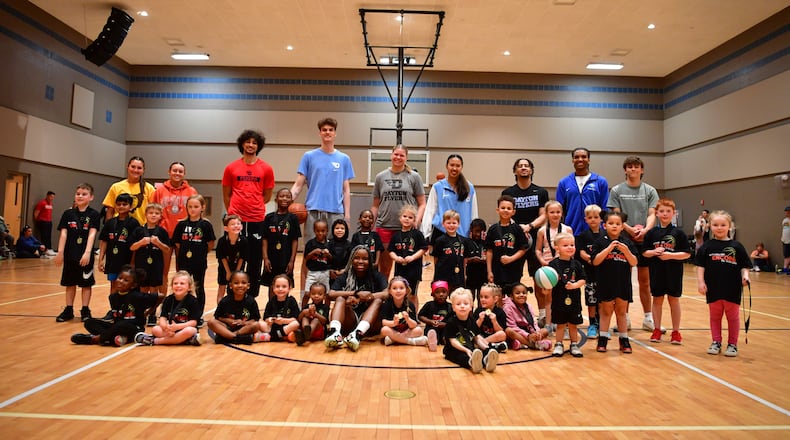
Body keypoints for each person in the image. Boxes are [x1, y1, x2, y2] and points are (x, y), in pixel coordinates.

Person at [607, 155, 660, 332]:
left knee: (645, 281)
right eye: (629, 167)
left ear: (642, 170)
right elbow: (616, 216)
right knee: (624, 280)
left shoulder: (650, 190)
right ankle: (625, 318)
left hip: (644, 239)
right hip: (624, 239)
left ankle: (648, 318)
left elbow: (653, 214)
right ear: (625, 170)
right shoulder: (616, 190)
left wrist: (645, 230)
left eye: (636, 166)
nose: (632, 169)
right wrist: (628, 230)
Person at [222, 129, 275, 298]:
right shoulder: (231, 167)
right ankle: (233, 293)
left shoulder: (266, 168)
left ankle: (251, 296)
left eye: (254, 142)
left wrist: (254, 204)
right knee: (235, 257)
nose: (251, 145)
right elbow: (226, 194)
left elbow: (267, 195)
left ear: (258, 146)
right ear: (242, 144)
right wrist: (232, 214)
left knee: (254, 258)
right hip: (236, 218)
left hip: (256, 218)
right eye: (248, 142)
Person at [695, 210, 751, 357]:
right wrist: (701, 282)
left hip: (732, 288)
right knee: (715, 316)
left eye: (722, 225)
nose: (719, 228)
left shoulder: (737, 246)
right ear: (709, 226)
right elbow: (701, 267)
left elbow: (745, 265)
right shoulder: (706, 246)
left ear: (729, 226)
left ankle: (733, 344)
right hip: (713, 287)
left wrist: (745, 276)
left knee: (732, 317)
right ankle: (716, 342)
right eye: (715, 225)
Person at [290, 117, 355, 242]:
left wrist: (347, 214)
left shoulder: (344, 158)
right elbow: (298, 185)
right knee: (311, 248)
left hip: (336, 212)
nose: (327, 132)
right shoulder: (309, 156)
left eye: (331, 130)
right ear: (319, 133)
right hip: (313, 211)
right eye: (324, 130)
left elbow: (346, 190)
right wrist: (287, 202)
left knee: (335, 251)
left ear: (335, 133)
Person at [371, 144, 427, 277]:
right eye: (396, 154)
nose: (398, 157)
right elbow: (375, 205)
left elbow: (422, 204)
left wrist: (416, 221)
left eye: (402, 155)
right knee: (384, 268)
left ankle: (405, 297)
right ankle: (384, 296)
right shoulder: (380, 177)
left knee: (407, 269)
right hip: (385, 227)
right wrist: (370, 225)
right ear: (391, 155)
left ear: (406, 158)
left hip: (406, 230)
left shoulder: (414, 177)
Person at [642, 198, 691, 344]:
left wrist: (671, 255)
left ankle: (676, 332)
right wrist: (654, 252)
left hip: (673, 273)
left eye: (668, 211)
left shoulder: (679, 233)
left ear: (673, 213)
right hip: (657, 272)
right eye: (662, 211)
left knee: (673, 300)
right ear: (656, 213)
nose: (665, 214)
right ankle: (656, 330)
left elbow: (687, 254)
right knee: (657, 299)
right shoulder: (652, 233)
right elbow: (644, 252)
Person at [71, 266, 157, 347]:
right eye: (120, 278)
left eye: (126, 280)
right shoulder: (113, 297)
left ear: (133, 285)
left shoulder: (137, 296)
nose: (121, 281)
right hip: (116, 327)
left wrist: (148, 312)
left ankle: (94, 339)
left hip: (133, 328)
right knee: (89, 322)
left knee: (122, 325)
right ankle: (115, 338)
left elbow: (160, 296)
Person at [324, 246, 389, 352]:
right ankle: (334, 332)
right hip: (350, 319)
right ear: (351, 260)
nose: (360, 261)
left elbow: (387, 293)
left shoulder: (377, 276)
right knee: (340, 299)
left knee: (378, 301)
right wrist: (356, 293)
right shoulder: (345, 276)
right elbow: (331, 294)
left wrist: (367, 297)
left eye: (365, 259)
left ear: (370, 261)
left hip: (370, 322)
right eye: (357, 258)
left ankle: (357, 334)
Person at [592, 211, 638, 354]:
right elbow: (595, 261)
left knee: (621, 312)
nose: (614, 226)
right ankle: (603, 339)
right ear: (604, 225)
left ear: (622, 227)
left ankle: (624, 339)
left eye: (617, 224)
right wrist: (609, 249)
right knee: (606, 311)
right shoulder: (600, 242)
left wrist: (626, 251)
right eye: (611, 223)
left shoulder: (627, 242)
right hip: (606, 282)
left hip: (623, 283)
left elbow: (634, 262)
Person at [54, 183, 101, 322]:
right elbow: (63, 234)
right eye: (78, 193)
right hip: (70, 254)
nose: (80, 196)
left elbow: (92, 234)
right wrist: (60, 252)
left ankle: (85, 310)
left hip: (84, 254)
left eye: (84, 194)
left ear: (91, 197)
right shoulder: (68, 214)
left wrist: (87, 253)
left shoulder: (94, 214)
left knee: (86, 284)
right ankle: (68, 309)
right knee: (70, 283)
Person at [152, 161, 198, 299]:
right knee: (162, 272)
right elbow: (152, 211)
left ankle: (182, 303)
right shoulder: (159, 191)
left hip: (183, 237)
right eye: (174, 170)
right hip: (163, 235)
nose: (177, 173)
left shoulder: (191, 191)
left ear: (184, 174)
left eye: (180, 171)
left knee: (183, 272)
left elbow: (195, 213)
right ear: (169, 172)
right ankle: (160, 305)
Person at [502, 158, 549, 290]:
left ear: (531, 170)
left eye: (526, 166)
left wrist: (529, 226)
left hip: (536, 240)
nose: (523, 168)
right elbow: (505, 214)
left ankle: (541, 312)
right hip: (515, 240)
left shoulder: (541, 192)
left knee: (539, 279)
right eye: (520, 166)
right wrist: (518, 228)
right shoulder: (508, 193)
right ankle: (511, 310)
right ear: (515, 171)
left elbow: (544, 215)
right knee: (512, 280)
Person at [172, 195, 216, 326]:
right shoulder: (181, 224)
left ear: (202, 207)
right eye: (190, 206)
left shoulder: (205, 225)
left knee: (198, 288)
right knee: (182, 288)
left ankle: (198, 315)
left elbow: (210, 243)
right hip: (184, 262)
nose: (192, 209)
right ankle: (181, 313)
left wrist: (200, 253)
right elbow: (178, 244)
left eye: (196, 207)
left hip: (199, 262)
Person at [134, 271, 201, 346]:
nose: (178, 285)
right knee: (155, 329)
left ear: (189, 287)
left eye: (182, 283)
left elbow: (193, 322)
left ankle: (155, 341)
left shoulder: (193, 301)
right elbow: (163, 318)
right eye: (175, 283)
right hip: (170, 330)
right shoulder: (168, 299)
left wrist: (177, 327)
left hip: (184, 328)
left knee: (190, 331)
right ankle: (184, 340)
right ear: (172, 286)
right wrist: (165, 327)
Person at [534, 200, 573, 330]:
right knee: (548, 296)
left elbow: (572, 248)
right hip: (548, 267)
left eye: (558, 212)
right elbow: (538, 249)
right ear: (546, 214)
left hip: (563, 265)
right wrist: (542, 261)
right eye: (552, 212)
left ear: (562, 213)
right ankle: (549, 323)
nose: (555, 215)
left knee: (563, 295)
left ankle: (563, 322)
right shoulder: (542, 231)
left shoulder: (567, 229)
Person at [129, 203, 170, 325]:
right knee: (142, 289)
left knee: (153, 289)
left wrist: (159, 244)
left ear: (160, 216)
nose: (153, 215)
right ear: (145, 215)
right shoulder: (139, 231)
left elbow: (167, 249)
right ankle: (141, 313)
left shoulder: (162, 232)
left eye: (156, 213)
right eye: (151, 213)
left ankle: (152, 313)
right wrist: (141, 242)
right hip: (142, 265)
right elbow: (131, 247)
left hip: (156, 265)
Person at [422, 154, 479, 241]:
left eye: (458, 166)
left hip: (463, 235)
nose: (454, 168)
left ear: (462, 167)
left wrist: (474, 233)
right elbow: (430, 210)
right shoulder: (438, 187)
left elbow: (474, 213)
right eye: (452, 165)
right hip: (441, 234)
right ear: (446, 166)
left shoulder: (469, 188)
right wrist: (425, 234)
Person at [548, 233, 586, 357]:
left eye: (572, 245)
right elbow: (549, 281)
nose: (570, 247)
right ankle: (558, 344)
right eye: (565, 245)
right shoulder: (553, 264)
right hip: (558, 300)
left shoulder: (577, 264)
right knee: (560, 324)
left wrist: (575, 286)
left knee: (573, 324)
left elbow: (583, 279)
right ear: (556, 248)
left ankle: (574, 344)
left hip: (574, 300)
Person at [443, 288, 498, 374]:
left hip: (470, 347)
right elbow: (453, 341)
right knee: (461, 357)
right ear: (453, 308)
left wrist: (485, 348)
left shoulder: (472, 321)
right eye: (458, 304)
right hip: (454, 350)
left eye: (466, 303)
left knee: (483, 351)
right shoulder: (451, 322)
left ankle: (487, 360)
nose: (462, 306)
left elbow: (476, 338)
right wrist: (465, 350)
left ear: (471, 307)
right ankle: (471, 363)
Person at [556, 147, 608, 236]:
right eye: (576, 157)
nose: (580, 159)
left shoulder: (600, 181)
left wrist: (603, 229)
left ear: (589, 160)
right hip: (571, 231)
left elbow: (605, 208)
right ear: (572, 160)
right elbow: (559, 209)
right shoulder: (564, 182)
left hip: (595, 232)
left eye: (584, 157)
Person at [208, 271, 269, 345]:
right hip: (227, 327)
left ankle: (226, 337)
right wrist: (229, 321)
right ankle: (236, 338)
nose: (240, 285)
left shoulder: (251, 301)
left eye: (243, 283)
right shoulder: (225, 301)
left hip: (243, 329)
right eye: (236, 283)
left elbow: (255, 319)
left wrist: (243, 323)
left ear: (248, 285)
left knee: (256, 325)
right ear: (230, 285)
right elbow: (218, 317)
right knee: (211, 322)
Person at [485, 195, 529, 297]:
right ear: (497, 210)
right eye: (503, 208)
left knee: (512, 297)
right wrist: (489, 271)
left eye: (509, 208)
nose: (506, 210)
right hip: (497, 270)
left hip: (513, 271)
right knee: (498, 296)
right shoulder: (493, 229)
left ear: (513, 211)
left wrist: (511, 258)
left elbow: (523, 249)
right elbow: (489, 251)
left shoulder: (517, 229)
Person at [387, 204, 428, 311]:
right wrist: (396, 258)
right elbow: (391, 251)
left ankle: (414, 315)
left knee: (412, 294)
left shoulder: (417, 234)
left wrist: (413, 257)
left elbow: (423, 249)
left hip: (414, 270)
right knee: (400, 293)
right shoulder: (396, 235)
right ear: (400, 218)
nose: (407, 219)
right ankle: (400, 313)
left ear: (414, 220)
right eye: (405, 216)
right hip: (400, 270)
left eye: (410, 217)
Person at [262, 188, 301, 296]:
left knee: (285, 284)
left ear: (291, 201)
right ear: (276, 199)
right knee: (272, 284)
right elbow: (264, 239)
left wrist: (292, 261)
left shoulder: (293, 218)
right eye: (282, 196)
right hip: (271, 258)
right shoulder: (269, 217)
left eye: (288, 196)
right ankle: (271, 309)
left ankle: (284, 310)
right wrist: (265, 258)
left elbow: (295, 240)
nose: (284, 198)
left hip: (285, 258)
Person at [98, 194, 139, 293]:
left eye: (124, 204)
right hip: (112, 261)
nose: (121, 206)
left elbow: (136, 245)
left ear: (131, 207)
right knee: (114, 285)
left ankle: (125, 308)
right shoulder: (110, 222)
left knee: (127, 286)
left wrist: (133, 262)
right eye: (119, 204)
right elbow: (104, 241)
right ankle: (114, 308)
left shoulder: (133, 223)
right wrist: (101, 259)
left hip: (126, 261)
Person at [575, 204, 604, 338]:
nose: (593, 220)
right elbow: (581, 253)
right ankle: (592, 323)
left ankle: (603, 325)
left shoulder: (606, 235)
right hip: (590, 273)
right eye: (590, 217)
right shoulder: (582, 236)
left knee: (603, 301)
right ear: (585, 219)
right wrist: (591, 259)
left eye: (596, 217)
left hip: (604, 274)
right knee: (591, 300)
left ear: (601, 219)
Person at [102, 156, 155, 226]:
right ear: (128, 167)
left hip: (140, 228)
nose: (135, 170)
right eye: (133, 167)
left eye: (139, 168)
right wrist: (108, 227)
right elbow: (110, 211)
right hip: (118, 227)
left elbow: (153, 211)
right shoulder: (116, 186)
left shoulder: (149, 188)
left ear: (143, 170)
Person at [380, 276, 429, 348]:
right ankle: (411, 342)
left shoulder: (410, 304)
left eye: (401, 288)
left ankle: (394, 340)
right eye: (394, 288)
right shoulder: (387, 304)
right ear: (390, 291)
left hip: (406, 332)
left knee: (419, 330)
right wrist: (393, 323)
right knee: (384, 330)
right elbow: (384, 322)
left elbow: (414, 325)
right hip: (393, 330)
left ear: (406, 290)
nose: (398, 291)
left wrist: (408, 319)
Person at [503, 282, 551, 351]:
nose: (521, 295)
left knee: (545, 331)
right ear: (511, 296)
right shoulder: (507, 307)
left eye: (524, 293)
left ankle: (522, 343)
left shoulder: (529, 306)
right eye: (517, 293)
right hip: (517, 332)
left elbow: (533, 323)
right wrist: (528, 336)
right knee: (508, 331)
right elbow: (512, 326)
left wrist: (536, 333)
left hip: (528, 331)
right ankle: (532, 344)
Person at [430, 210, 468, 291]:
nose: (451, 225)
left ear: (458, 224)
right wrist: (436, 274)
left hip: (458, 275)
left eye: (454, 223)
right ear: (443, 224)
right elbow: (436, 259)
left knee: (457, 297)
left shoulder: (463, 241)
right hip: (443, 274)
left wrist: (464, 274)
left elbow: (464, 259)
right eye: (448, 223)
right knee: (442, 296)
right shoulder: (439, 241)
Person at [215, 214, 248, 304]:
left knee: (236, 290)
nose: (236, 226)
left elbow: (242, 258)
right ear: (226, 228)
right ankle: (220, 311)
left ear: (241, 226)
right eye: (233, 224)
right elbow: (222, 258)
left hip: (238, 268)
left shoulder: (244, 241)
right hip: (224, 269)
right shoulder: (222, 241)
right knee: (221, 289)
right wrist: (228, 273)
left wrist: (236, 273)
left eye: (238, 224)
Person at [262, 274, 304, 342]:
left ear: (289, 288)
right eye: (277, 286)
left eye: (284, 286)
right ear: (273, 288)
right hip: (273, 328)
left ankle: (275, 336)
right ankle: (282, 337)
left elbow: (296, 318)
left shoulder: (291, 300)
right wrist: (270, 320)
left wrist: (283, 321)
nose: (280, 289)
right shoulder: (271, 301)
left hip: (286, 327)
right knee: (260, 323)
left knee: (295, 324)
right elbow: (265, 318)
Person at [301, 219, 332, 304]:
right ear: (314, 230)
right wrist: (313, 252)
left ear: (327, 231)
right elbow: (306, 258)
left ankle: (325, 311)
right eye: (318, 231)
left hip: (324, 273)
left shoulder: (330, 244)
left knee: (327, 294)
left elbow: (333, 259)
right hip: (312, 273)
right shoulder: (310, 243)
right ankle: (302, 310)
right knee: (307, 293)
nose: (320, 233)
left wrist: (328, 254)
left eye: (323, 231)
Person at [473, 283, 509, 353]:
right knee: (475, 336)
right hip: (480, 336)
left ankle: (483, 344)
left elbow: (500, 331)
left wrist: (494, 321)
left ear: (495, 299)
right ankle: (492, 346)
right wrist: (480, 320)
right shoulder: (478, 310)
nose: (482, 299)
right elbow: (473, 329)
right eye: (481, 297)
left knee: (502, 334)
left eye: (486, 297)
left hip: (492, 338)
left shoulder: (500, 312)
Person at [418, 280, 452, 349]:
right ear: (432, 294)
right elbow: (420, 316)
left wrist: (445, 324)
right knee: (432, 331)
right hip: (431, 327)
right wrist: (430, 321)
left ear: (448, 293)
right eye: (437, 292)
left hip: (445, 329)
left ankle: (446, 341)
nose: (441, 294)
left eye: (443, 292)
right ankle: (432, 341)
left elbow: (454, 320)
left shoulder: (450, 307)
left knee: (448, 332)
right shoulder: (429, 305)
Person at [465, 218, 487, 302]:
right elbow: (464, 258)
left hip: (483, 275)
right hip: (470, 275)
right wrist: (471, 259)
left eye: (481, 231)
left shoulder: (486, 243)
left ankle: (480, 315)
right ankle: (470, 315)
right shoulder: (466, 242)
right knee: (470, 298)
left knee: (481, 299)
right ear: (471, 230)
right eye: (476, 231)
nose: (478, 234)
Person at [327, 219, 353, 284]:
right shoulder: (328, 244)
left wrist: (344, 270)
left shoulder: (349, 245)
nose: (339, 230)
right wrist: (330, 271)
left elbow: (351, 261)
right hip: (330, 274)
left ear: (346, 230)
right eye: (337, 228)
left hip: (345, 273)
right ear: (333, 230)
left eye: (342, 228)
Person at [33, 191, 56, 255]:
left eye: (53, 197)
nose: (52, 198)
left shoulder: (50, 204)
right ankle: (45, 250)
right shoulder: (42, 203)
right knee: (44, 236)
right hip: (42, 222)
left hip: (49, 222)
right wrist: (38, 221)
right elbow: (36, 213)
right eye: (51, 197)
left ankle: (49, 249)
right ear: (47, 196)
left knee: (48, 236)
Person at [782, 206, 790, 274]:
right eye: (786, 212)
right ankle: (785, 268)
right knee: (786, 255)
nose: (787, 214)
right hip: (785, 241)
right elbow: (785, 230)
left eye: (788, 212)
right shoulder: (785, 220)